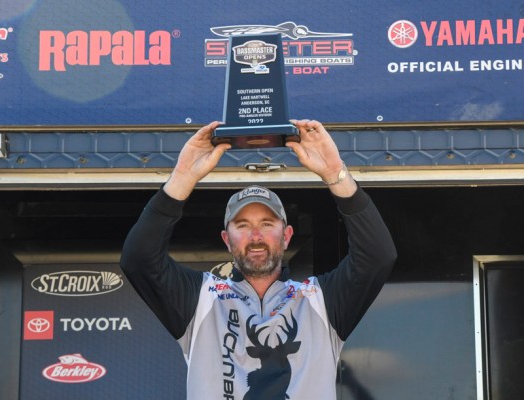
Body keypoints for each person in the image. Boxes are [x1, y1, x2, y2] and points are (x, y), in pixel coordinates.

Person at [120, 119, 397, 399]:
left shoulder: (320, 301)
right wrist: (182, 177)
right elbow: (139, 259)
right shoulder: (201, 299)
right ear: (227, 240)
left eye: (267, 224)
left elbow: (377, 256)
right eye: (242, 225)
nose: (255, 235)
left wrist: (336, 173)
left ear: (286, 236)